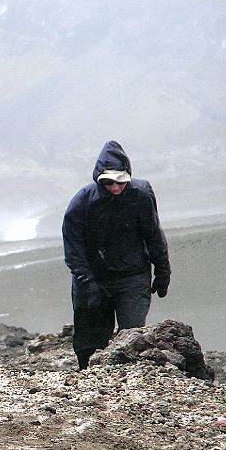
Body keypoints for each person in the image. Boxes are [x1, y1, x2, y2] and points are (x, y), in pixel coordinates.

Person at [62, 140, 171, 369]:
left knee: (132, 337)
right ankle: (89, 382)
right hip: (93, 278)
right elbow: (73, 249)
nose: (115, 187)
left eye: (120, 181)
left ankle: (130, 384)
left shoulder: (141, 195)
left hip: (132, 276)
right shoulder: (82, 202)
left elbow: (153, 234)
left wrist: (163, 271)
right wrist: (87, 282)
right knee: (90, 343)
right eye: (109, 182)